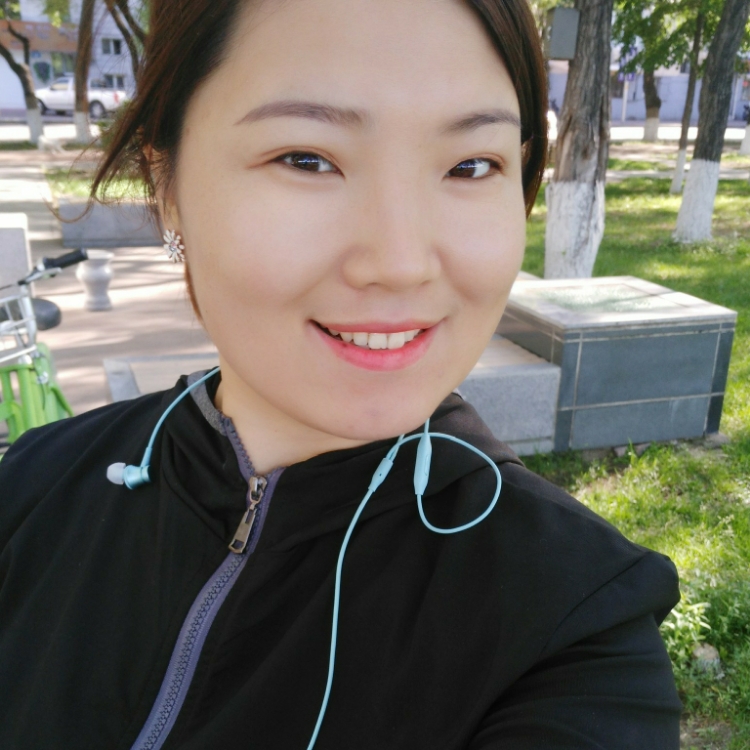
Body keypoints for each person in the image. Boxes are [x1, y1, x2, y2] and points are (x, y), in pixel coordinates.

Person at [0, 0, 682, 747]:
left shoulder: (575, 627)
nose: (400, 263)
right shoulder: (35, 484)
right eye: (307, 158)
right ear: (166, 187)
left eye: (470, 165)